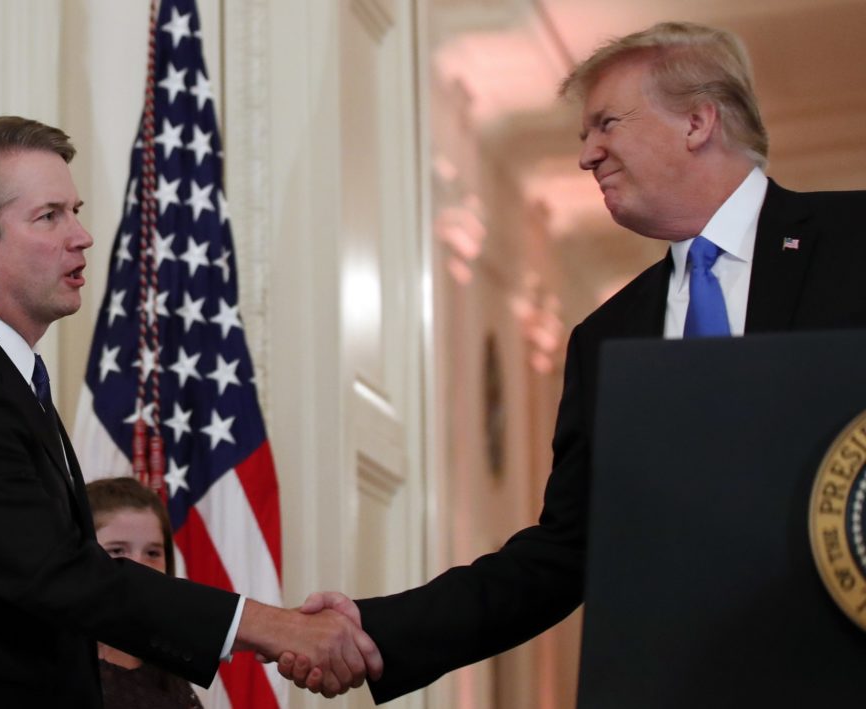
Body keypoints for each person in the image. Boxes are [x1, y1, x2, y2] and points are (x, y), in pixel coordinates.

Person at [278, 21, 866, 702]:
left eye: (606, 123)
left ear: (698, 121)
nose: (587, 154)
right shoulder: (606, 337)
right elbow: (563, 555)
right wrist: (377, 627)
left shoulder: (853, 246)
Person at [0, 116, 380, 707]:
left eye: (75, 210)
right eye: (50, 216)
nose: (83, 235)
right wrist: (271, 626)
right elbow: (59, 575)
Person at [87, 477, 203, 709]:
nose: (139, 567)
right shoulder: (59, 663)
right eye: (118, 550)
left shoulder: (165, 659)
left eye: (152, 553)